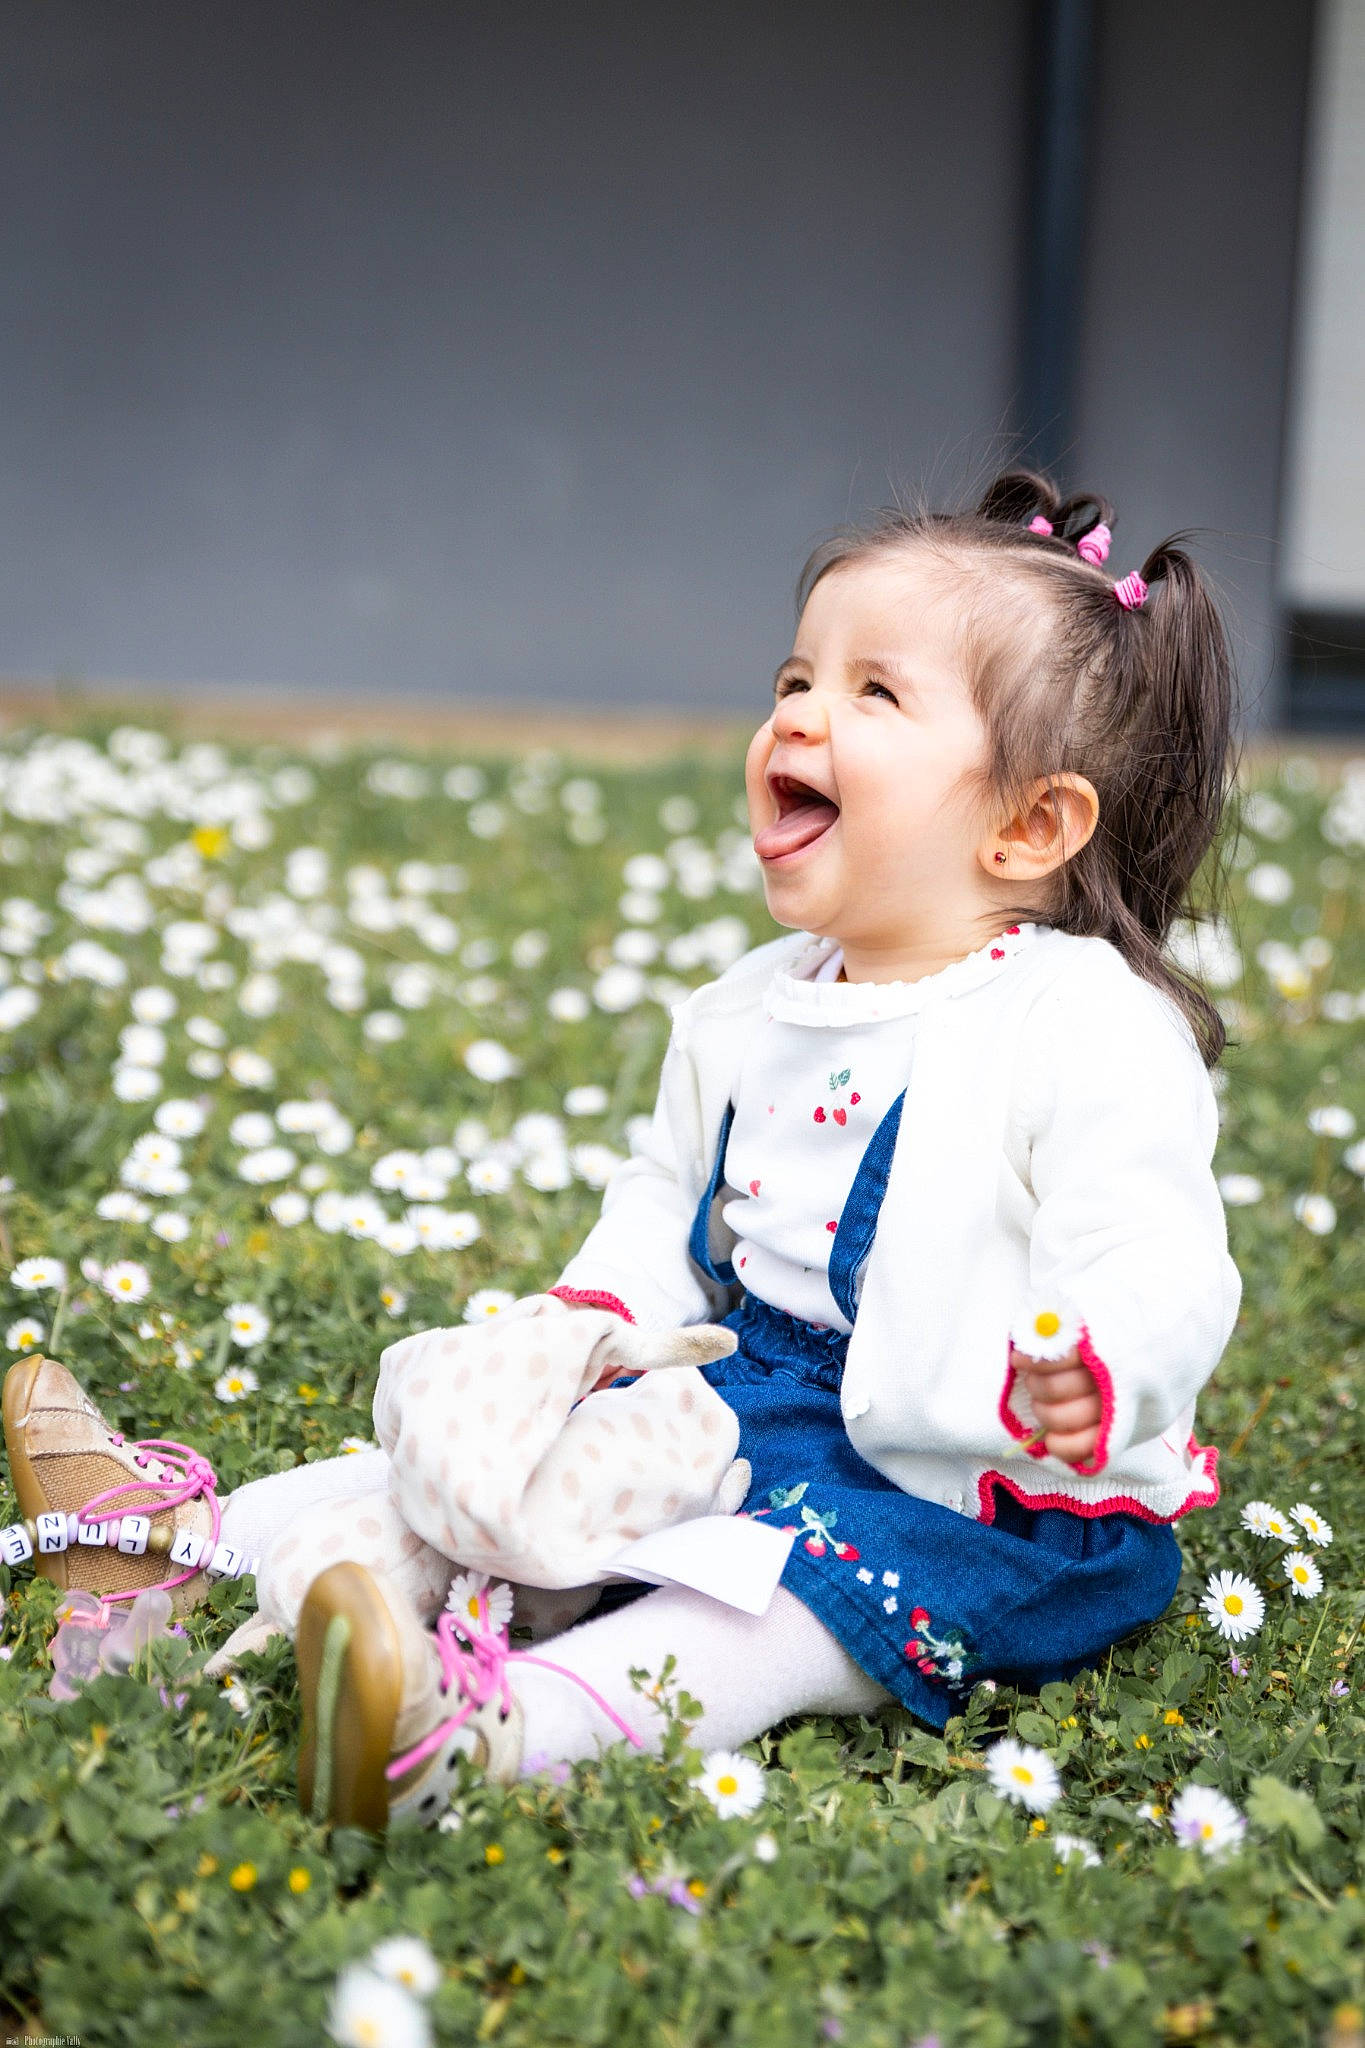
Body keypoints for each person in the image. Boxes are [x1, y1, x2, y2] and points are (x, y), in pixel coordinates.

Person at [3, 463, 1244, 1836]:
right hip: (761, 1399)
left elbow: (1155, 1248)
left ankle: (471, 1742)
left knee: (762, 1605)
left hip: (970, 1484)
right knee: (492, 1468)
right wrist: (593, 1319)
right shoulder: (745, 1009)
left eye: (872, 694)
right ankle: (158, 1553)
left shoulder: (1080, 1025)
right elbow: (665, 1204)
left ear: (1030, 826)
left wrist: (1102, 1363)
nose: (798, 713)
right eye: (794, 678)